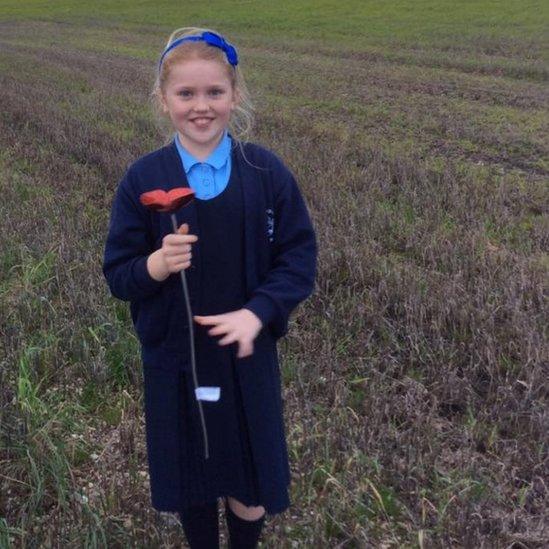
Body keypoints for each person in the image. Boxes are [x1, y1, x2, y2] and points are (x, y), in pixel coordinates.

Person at [102, 26, 317, 548]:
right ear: (164, 100)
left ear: (233, 96)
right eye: (186, 94)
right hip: (176, 358)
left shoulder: (264, 171)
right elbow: (119, 274)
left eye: (214, 93)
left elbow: (298, 257)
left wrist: (258, 311)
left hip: (247, 359)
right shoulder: (142, 177)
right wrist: (156, 264)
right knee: (194, 481)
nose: (201, 106)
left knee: (249, 481)